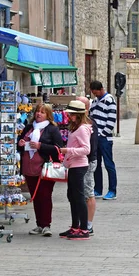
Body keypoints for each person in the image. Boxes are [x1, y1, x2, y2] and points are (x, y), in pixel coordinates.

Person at [16, 103, 64, 236]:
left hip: (44, 169)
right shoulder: (29, 128)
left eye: (42, 112)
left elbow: (58, 148)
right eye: (37, 111)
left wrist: (40, 146)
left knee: (45, 196)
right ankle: (39, 224)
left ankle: (46, 225)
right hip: (29, 168)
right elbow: (19, 144)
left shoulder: (52, 129)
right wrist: (20, 143)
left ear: (48, 115)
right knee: (35, 197)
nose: (38, 114)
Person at [58, 100, 92, 240]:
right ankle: (75, 226)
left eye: (71, 114)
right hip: (73, 165)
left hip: (79, 166)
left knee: (78, 197)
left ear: (77, 115)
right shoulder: (76, 128)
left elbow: (86, 149)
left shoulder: (83, 128)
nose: (69, 116)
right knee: (72, 197)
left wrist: (68, 150)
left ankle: (84, 229)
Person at [89, 80, 118, 200]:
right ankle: (98, 189)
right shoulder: (95, 102)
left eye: (96, 93)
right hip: (95, 138)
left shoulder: (110, 101)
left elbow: (111, 120)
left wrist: (102, 134)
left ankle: (112, 191)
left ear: (101, 89)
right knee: (96, 165)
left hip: (104, 138)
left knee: (108, 164)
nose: (95, 95)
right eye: (94, 93)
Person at [76, 96, 98, 235]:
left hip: (87, 162)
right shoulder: (78, 124)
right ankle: (81, 222)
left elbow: (91, 147)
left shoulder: (90, 124)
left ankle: (88, 224)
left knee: (88, 193)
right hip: (79, 162)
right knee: (80, 193)